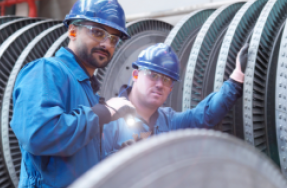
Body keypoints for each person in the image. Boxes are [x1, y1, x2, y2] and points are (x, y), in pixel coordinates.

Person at [4, 0, 136, 188]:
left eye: (113, 38)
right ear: (73, 30)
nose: (106, 44)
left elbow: (86, 156)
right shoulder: (47, 71)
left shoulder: (89, 91)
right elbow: (39, 134)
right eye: (97, 32)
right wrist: (106, 112)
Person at [102, 42, 248, 155]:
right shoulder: (108, 119)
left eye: (167, 80)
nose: (160, 85)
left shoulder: (169, 121)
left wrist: (236, 79)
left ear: (171, 88)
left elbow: (205, 115)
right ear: (135, 75)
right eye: (153, 75)